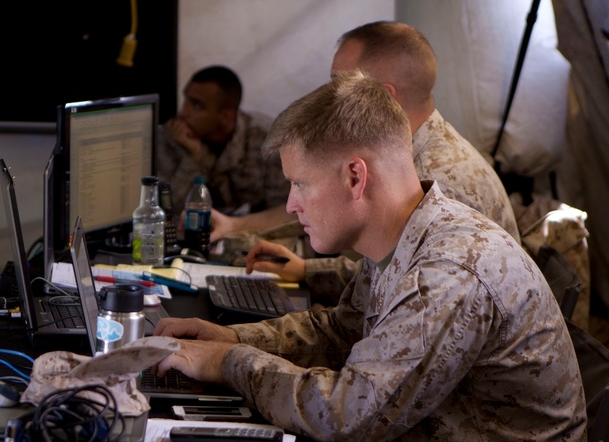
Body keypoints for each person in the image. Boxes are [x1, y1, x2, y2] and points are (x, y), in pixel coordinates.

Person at [154, 71, 586, 442]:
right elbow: (338, 331)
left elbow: (345, 416)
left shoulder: (450, 273)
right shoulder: (408, 236)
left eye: (300, 184)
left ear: (355, 177)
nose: (291, 206)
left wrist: (228, 365)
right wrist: (236, 341)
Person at [217, 22, 521, 301]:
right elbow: (380, 274)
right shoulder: (417, 153)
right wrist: (305, 271)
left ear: (383, 96)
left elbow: (407, 296)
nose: (329, 95)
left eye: (341, 83)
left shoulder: (439, 180)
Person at [155, 65, 289, 222]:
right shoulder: (171, 137)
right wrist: (193, 160)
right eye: (186, 100)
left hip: (254, 233)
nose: (184, 112)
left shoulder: (266, 138)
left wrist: (235, 227)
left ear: (225, 116)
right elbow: (164, 212)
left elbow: (286, 212)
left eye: (197, 105)